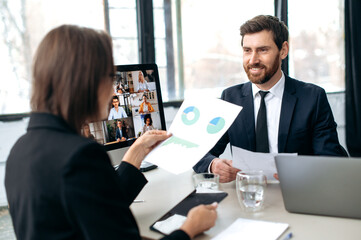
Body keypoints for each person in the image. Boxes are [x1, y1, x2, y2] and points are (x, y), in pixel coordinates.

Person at [5, 25, 217, 240]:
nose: (113, 89)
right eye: (110, 77)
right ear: (86, 81)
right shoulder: (81, 156)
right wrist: (188, 229)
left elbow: (98, 207)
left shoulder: (21, 149)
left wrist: (135, 154)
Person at [193, 15, 348, 183]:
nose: (253, 60)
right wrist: (213, 164)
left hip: (298, 192)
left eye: (263, 50)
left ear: (283, 50)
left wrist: (301, 172)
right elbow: (199, 153)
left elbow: (331, 160)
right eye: (247, 50)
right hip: (247, 194)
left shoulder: (312, 98)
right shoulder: (230, 98)